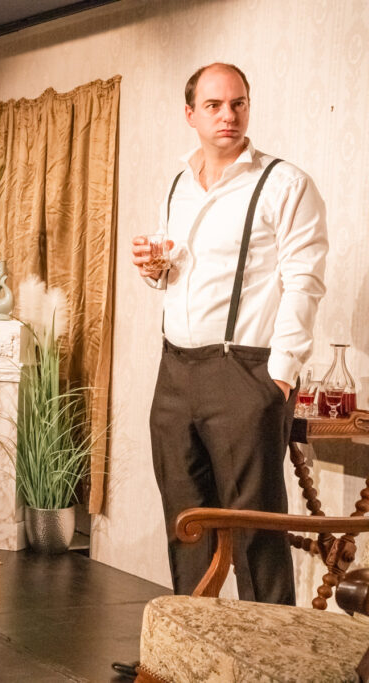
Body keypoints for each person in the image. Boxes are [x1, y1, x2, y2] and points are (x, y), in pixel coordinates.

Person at [133, 63, 328, 605]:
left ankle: (270, 647)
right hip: (175, 371)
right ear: (190, 114)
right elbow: (179, 270)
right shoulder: (178, 184)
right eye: (214, 105)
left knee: (255, 531)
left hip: (245, 372)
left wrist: (278, 378)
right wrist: (155, 268)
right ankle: (191, 644)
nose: (228, 115)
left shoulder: (284, 183)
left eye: (238, 103)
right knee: (187, 523)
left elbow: (305, 282)